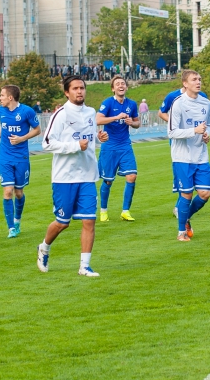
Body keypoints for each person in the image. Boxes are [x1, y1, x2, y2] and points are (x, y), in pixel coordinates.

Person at [37, 76, 109, 277]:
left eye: (82, 88)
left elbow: (88, 136)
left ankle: (84, 266)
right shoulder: (60, 114)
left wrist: (99, 137)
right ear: (67, 93)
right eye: (75, 88)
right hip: (64, 177)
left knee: (89, 221)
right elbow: (47, 143)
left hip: (87, 175)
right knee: (62, 222)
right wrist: (74, 146)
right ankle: (44, 247)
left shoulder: (90, 112)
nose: (80, 91)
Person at [0, 84, 41, 238]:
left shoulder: (27, 112)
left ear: (10, 97)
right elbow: (3, 127)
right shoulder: (1, 110)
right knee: (8, 191)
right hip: (5, 156)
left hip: (21, 157)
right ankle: (11, 227)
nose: (0, 98)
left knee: (18, 193)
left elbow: (37, 130)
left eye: (2, 95)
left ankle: (17, 220)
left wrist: (22, 138)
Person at [168, 70, 210, 241]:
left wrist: (206, 134)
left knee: (205, 194)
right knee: (186, 195)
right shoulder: (178, 104)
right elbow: (171, 132)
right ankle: (181, 232)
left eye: (200, 79)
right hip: (182, 158)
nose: (198, 82)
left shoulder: (206, 103)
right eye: (194, 79)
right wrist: (194, 130)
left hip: (201, 156)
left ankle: (185, 216)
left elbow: (207, 125)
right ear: (185, 84)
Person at [96, 75, 141, 222]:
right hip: (109, 146)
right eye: (117, 84)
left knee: (132, 176)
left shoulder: (132, 104)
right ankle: (103, 211)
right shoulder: (108, 103)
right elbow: (98, 120)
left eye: (123, 83)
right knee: (108, 181)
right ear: (113, 88)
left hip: (125, 145)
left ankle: (125, 211)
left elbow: (137, 123)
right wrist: (116, 117)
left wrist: (131, 123)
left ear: (126, 87)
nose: (121, 86)